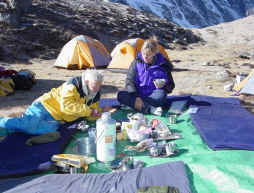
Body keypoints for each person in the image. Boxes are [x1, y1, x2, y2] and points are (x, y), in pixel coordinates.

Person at [0, 69, 110, 136]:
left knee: (48, 131)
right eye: (95, 85)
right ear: (86, 82)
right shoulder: (72, 86)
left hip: (57, 118)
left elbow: (90, 115)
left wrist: (98, 113)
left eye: (99, 85)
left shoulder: (95, 94)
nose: (97, 88)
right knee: (29, 125)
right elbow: (66, 106)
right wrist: (90, 111)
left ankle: (11, 127)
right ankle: (3, 122)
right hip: (44, 106)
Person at [117, 36, 175, 116]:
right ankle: (150, 108)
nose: (145, 57)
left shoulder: (163, 64)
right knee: (121, 95)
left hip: (154, 94)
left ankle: (134, 105)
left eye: (149, 54)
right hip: (137, 93)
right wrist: (136, 97)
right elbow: (129, 81)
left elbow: (171, 85)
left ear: (154, 53)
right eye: (144, 54)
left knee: (160, 96)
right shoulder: (136, 63)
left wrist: (164, 84)